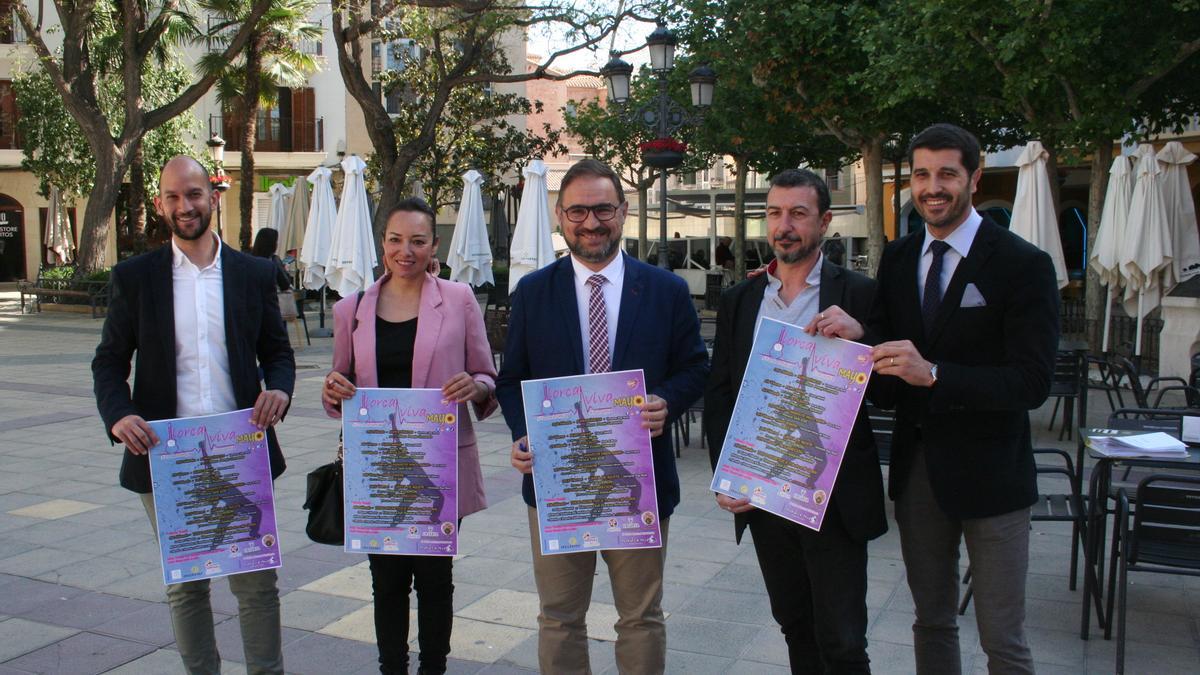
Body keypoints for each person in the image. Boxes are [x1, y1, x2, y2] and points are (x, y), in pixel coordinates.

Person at [826, 124, 1058, 674]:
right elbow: (885, 373)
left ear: (974, 178)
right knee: (931, 621)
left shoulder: (1024, 264)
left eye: (947, 174)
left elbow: (1031, 383)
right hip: (917, 474)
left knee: (1003, 638)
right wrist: (855, 347)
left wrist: (935, 374)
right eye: (922, 174)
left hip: (994, 479)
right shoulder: (901, 257)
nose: (933, 187)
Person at [496, 159, 709, 673]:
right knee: (559, 616)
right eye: (578, 211)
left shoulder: (665, 290)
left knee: (640, 617)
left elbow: (696, 367)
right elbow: (511, 380)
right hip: (558, 482)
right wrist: (524, 434)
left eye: (603, 209)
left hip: (637, 482)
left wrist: (667, 400)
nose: (591, 222)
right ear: (559, 215)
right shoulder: (532, 292)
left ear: (624, 211)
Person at [92, 155, 295, 675]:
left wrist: (280, 391)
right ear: (160, 205)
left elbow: (278, 351)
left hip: (240, 452)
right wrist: (118, 416)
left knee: (256, 585)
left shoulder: (252, 274)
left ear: (214, 196)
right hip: (167, 458)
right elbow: (110, 362)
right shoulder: (136, 278)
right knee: (186, 588)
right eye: (174, 197)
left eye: (195, 194)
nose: (186, 206)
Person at [704, 169, 887, 674]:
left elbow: (893, 390)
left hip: (833, 496)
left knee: (844, 640)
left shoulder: (861, 295)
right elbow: (720, 393)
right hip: (764, 495)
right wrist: (726, 476)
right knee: (794, 625)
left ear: (824, 221)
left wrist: (864, 342)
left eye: (798, 214)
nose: (784, 225)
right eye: (775, 213)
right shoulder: (741, 300)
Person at [322, 197, 498, 675]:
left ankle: (433, 668)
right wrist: (334, 390)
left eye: (418, 241)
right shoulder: (350, 309)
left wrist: (476, 385)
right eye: (396, 240)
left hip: (438, 464)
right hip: (379, 466)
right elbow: (338, 386)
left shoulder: (458, 299)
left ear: (433, 245)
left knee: (436, 577)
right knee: (387, 578)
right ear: (383, 244)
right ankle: (392, 668)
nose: (406, 251)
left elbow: (487, 375)